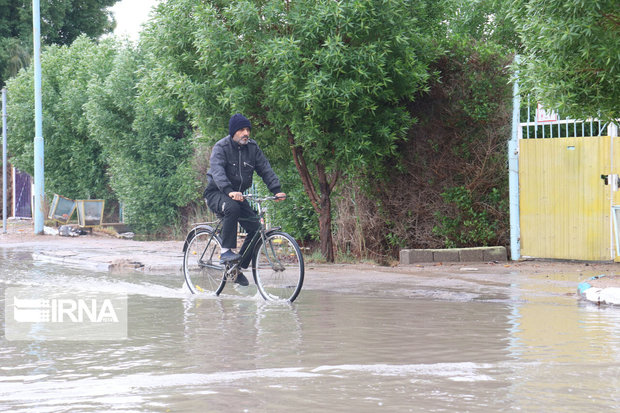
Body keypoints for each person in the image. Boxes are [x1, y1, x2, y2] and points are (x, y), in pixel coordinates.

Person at [203, 113, 286, 286]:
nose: (246, 133)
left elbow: (265, 169)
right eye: (241, 130)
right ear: (233, 132)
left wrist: (276, 190)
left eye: (248, 129)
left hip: (238, 195)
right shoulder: (221, 147)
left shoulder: (252, 148)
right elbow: (217, 171)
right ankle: (226, 252)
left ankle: (236, 268)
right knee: (232, 208)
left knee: (256, 228)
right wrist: (229, 190)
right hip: (217, 192)